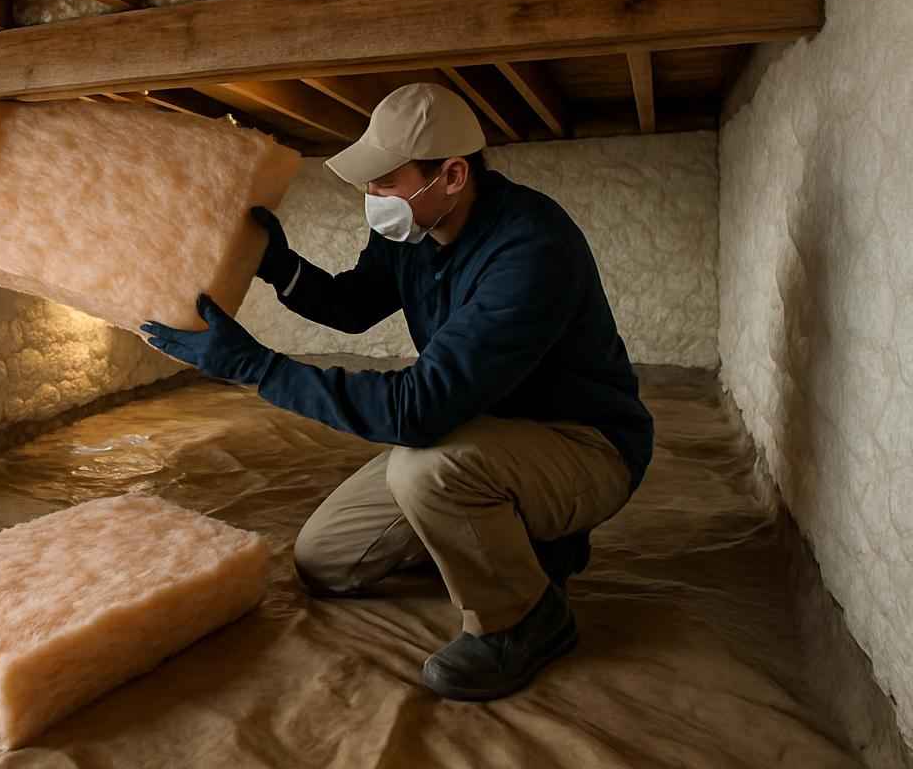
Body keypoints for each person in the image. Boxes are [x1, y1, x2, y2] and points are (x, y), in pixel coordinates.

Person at [140, 81, 653, 701]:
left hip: (582, 444)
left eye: (385, 182)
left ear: (453, 175)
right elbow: (354, 306)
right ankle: (496, 539)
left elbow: (418, 410)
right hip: (476, 429)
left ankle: (524, 619)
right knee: (324, 560)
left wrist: (256, 367)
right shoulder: (412, 231)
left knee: (425, 471)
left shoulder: (530, 249)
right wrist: (279, 265)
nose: (371, 197)